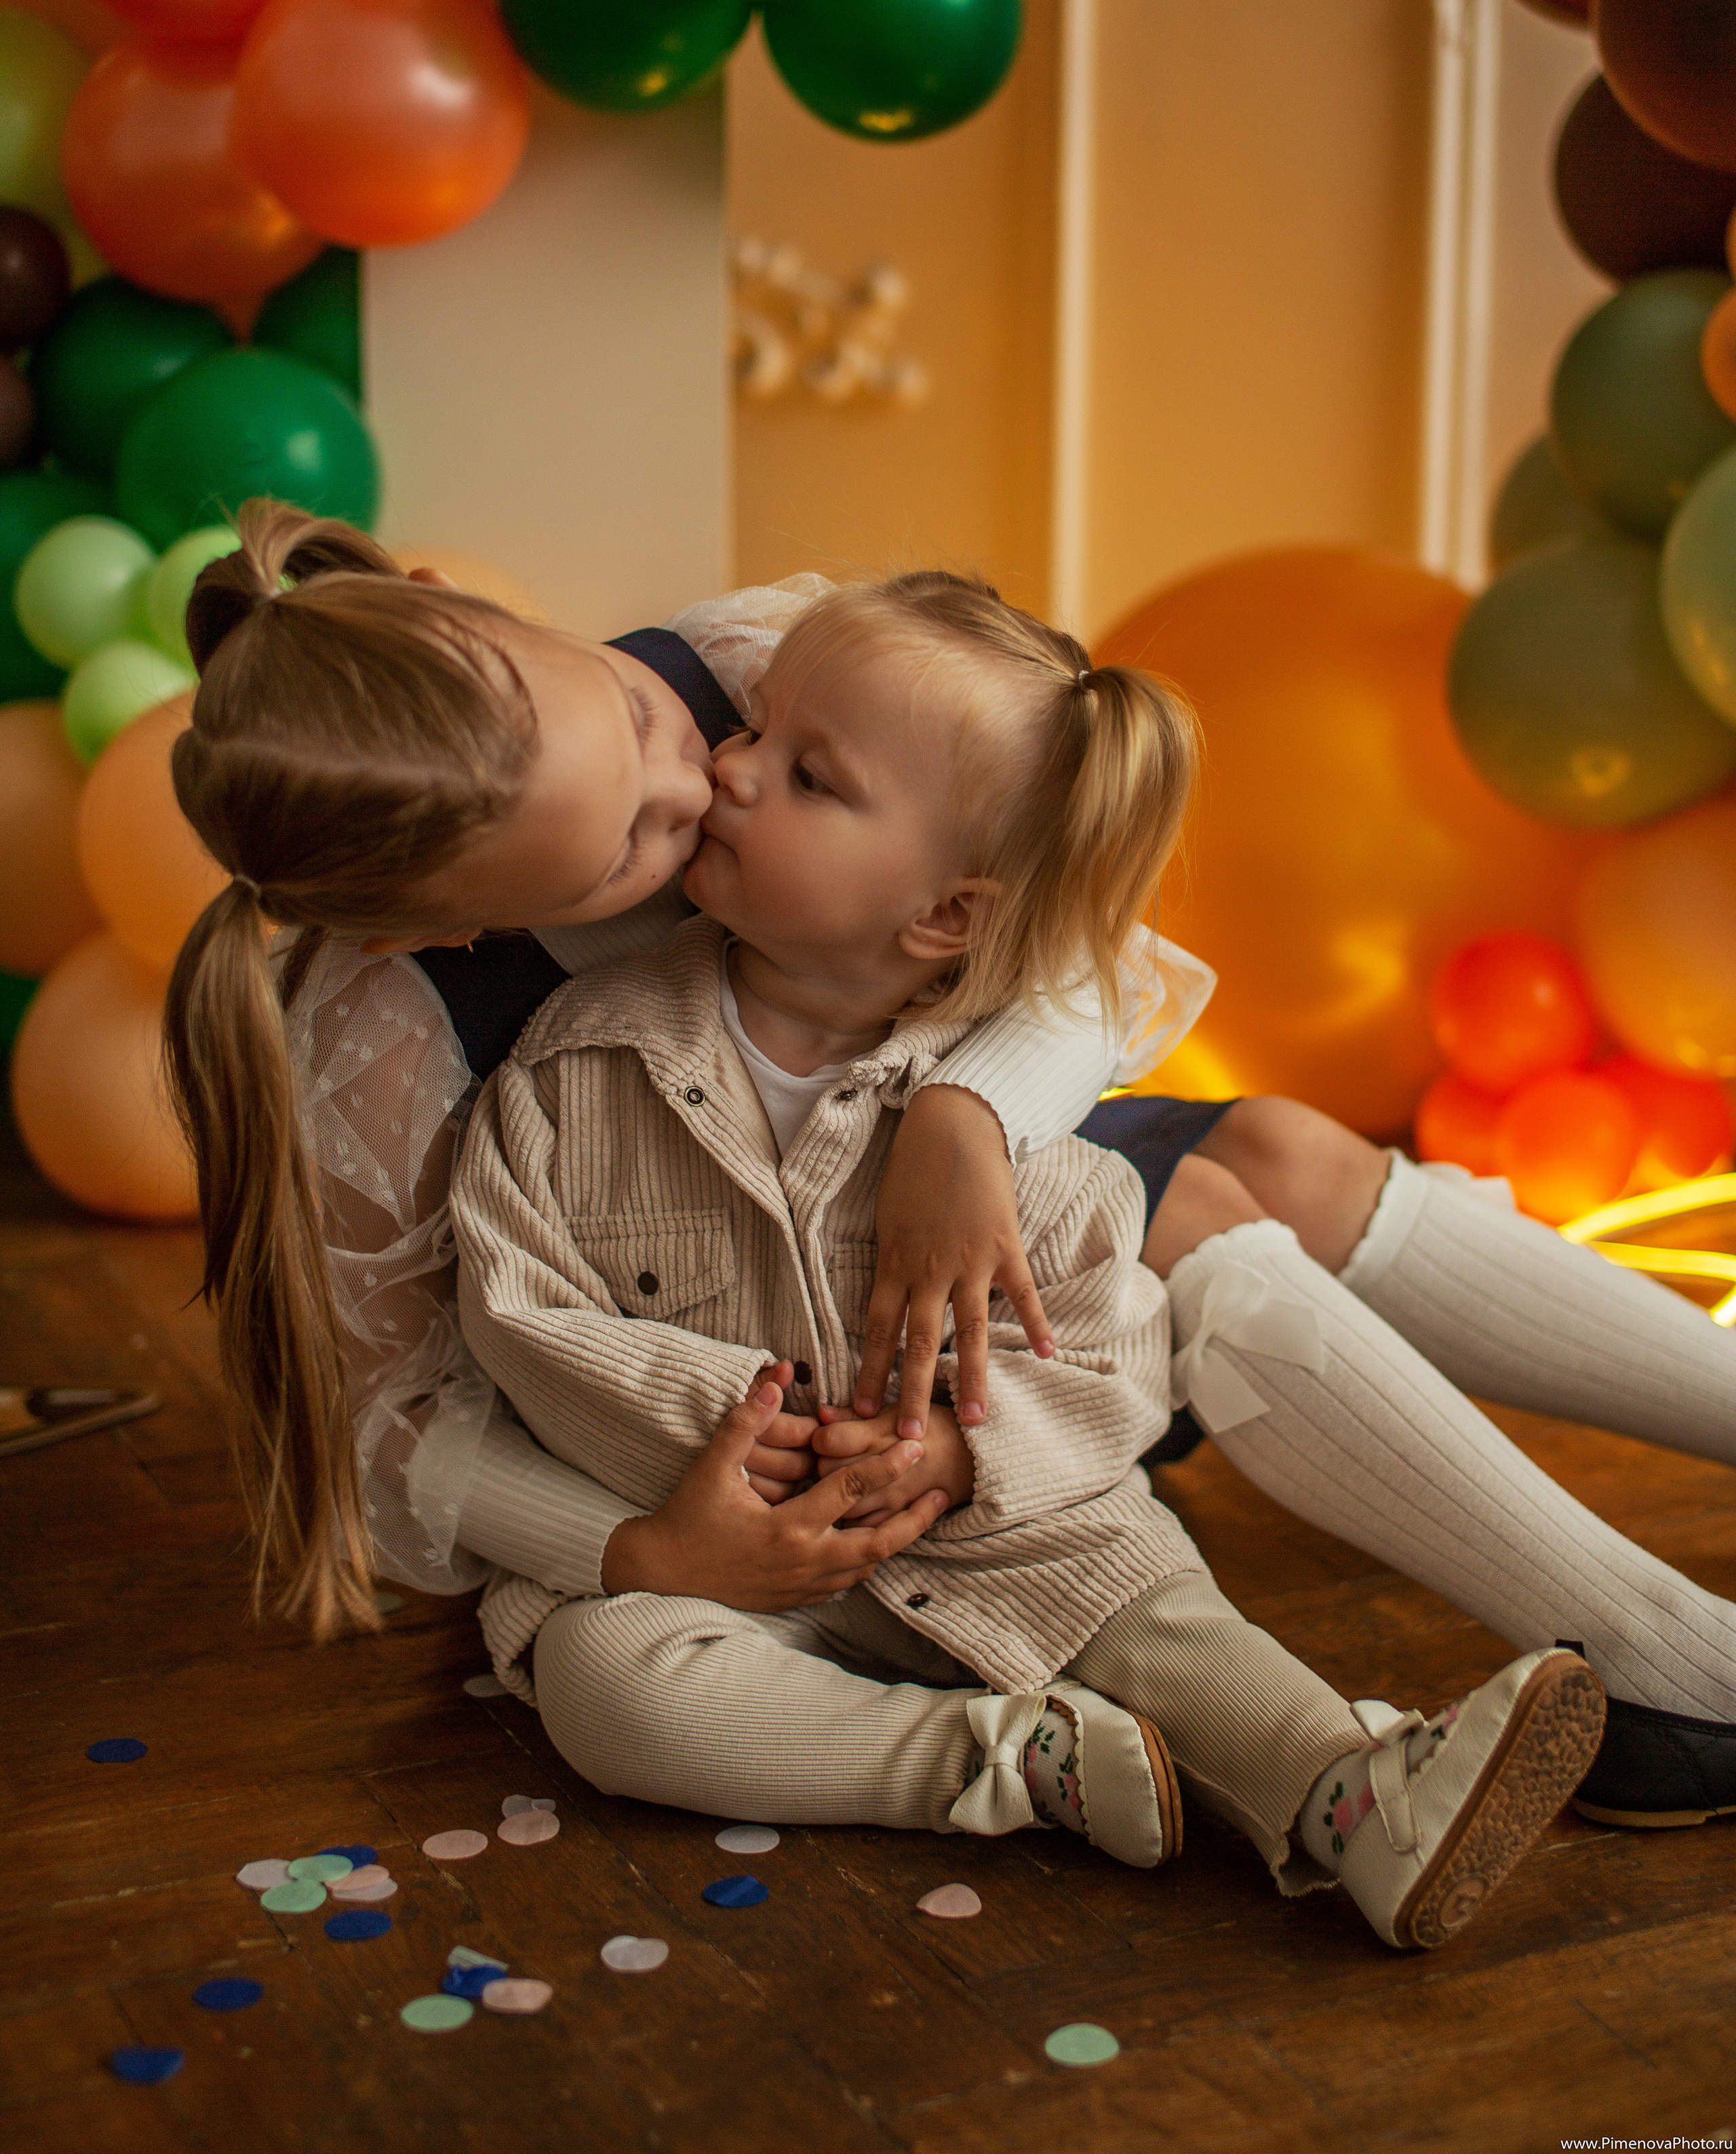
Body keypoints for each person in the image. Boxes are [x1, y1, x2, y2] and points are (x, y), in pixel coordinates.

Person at [163, 505, 1736, 1843]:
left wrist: (966, 1120)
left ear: (463, 605)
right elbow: (400, 1435)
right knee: (1214, 1227)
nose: (700, 786)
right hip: (722, 1341)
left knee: (1270, 1158)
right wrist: (641, 1555)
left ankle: (1679, 1588)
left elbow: (1068, 939)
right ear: (423, 930)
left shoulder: (742, 669)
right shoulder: (377, 1046)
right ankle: (1657, 1671)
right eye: (621, 854)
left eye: (649, 737)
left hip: (911, 1169)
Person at [448, 565, 1610, 1951]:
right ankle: (1002, 1763)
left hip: (1012, 1539)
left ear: (944, 914)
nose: (732, 768)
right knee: (602, 1683)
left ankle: (1352, 1793)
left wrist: (957, 1458)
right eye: (754, 731)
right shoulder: (576, 1068)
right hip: (721, 1556)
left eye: (808, 775)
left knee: (1165, 1619)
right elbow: (520, 1311)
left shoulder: (1012, 1142)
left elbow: (1117, 1357)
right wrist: (736, 1454)